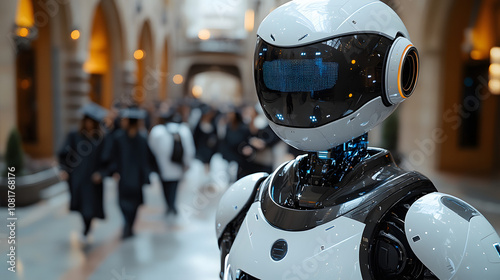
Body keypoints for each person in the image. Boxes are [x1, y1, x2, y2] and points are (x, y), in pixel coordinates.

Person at [215, 0, 500, 279]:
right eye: (280, 74)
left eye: (318, 76)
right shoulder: (245, 199)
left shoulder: (431, 227)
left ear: (397, 72)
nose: (296, 100)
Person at [58, 103, 108, 240]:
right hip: (78, 177)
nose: (89, 124)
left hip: (93, 180)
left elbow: (108, 159)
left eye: (92, 122)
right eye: (87, 121)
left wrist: (102, 173)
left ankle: (87, 228)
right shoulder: (74, 135)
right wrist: (64, 169)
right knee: (81, 205)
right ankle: (86, 227)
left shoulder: (101, 138)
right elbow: (64, 154)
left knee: (90, 207)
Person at [109, 107, 151, 238]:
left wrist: (145, 175)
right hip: (124, 175)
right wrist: (114, 170)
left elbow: (146, 158)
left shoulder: (142, 139)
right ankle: (127, 224)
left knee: (135, 203)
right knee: (122, 202)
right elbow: (113, 156)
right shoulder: (119, 138)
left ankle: (129, 225)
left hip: (136, 176)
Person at [148, 109, 195, 216]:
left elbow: (151, 148)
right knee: (174, 186)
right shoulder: (184, 130)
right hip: (177, 166)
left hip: (162, 165)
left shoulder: (157, 131)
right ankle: (172, 205)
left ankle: (169, 205)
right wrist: (188, 163)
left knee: (165, 186)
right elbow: (189, 149)